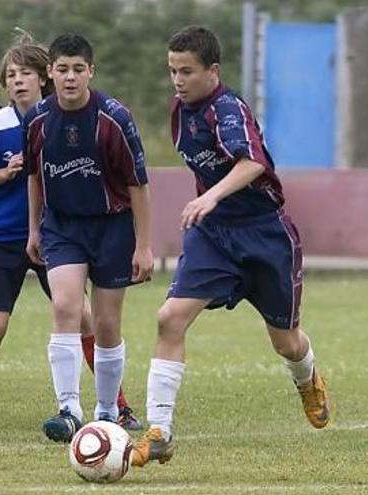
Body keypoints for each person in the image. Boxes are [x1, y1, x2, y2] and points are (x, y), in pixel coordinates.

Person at [130, 26, 331, 468]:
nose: (177, 81)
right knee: (170, 318)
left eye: (187, 71)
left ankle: (307, 377)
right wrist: (211, 205)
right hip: (214, 235)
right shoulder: (180, 111)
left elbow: (253, 162)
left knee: (286, 342)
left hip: (264, 235)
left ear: (213, 71)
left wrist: (210, 194)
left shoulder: (227, 108)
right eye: (172, 71)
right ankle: (159, 431)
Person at [0, 33, 142, 430]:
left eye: (26, 74)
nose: (18, 81)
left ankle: (114, 405)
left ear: (43, 78)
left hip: (55, 235)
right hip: (0, 236)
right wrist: (4, 173)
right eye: (11, 75)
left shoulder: (68, 117)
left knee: (82, 316)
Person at [23, 33, 154, 443]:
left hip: (112, 226)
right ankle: (68, 410)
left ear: (91, 72)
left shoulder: (114, 118)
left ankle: (106, 411)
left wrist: (144, 244)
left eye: (78, 69)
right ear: (50, 72)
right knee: (64, 305)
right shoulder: (38, 120)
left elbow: (138, 184)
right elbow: (33, 175)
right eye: (62, 69)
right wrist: (33, 226)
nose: (70, 77)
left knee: (107, 324)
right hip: (62, 226)